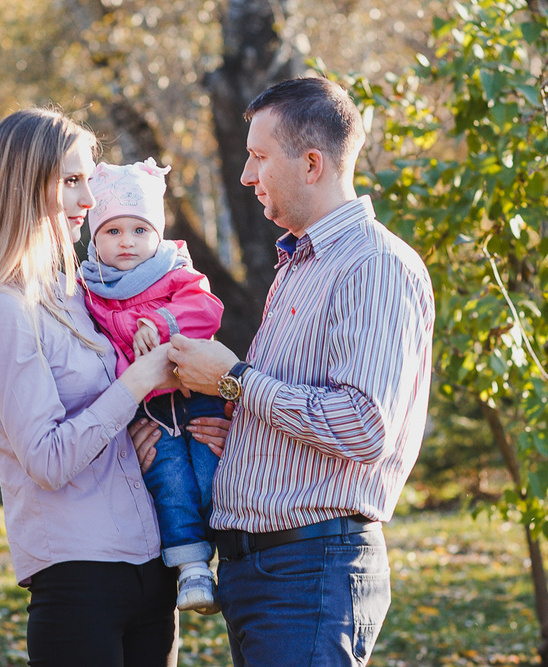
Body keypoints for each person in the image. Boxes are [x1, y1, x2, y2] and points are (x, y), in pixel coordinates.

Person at [0, 107, 230, 667]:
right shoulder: (4, 311)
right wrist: (138, 383)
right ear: (25, 188)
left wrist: (167, 423)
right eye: (72, 181)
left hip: (153, 564)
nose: (89, 200)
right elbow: (47, 458)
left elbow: (119, 409)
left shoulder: (77, 294)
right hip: (79, 578)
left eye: (87, 181)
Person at [168, 76, 435, 666]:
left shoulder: (373, 265)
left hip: (311, 573)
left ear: (312, 163)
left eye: (259, 157)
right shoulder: (302, 263)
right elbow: (301, 407)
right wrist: (236, 428)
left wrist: (235, 380)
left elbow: (364, 426)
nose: (245, 175)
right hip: (266, 574)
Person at [80, 158, 226, 614]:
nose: (127, 242)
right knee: (169, 480)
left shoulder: (175, 273)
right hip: (149, 410)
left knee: (209, 472)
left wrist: (159, 323)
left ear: (158, 235)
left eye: (139, 230)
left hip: (195, 392)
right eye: (113, 231)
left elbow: (205, 310)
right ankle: (192, 568)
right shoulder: (90, 291)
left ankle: (230, 549)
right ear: (95, 237)